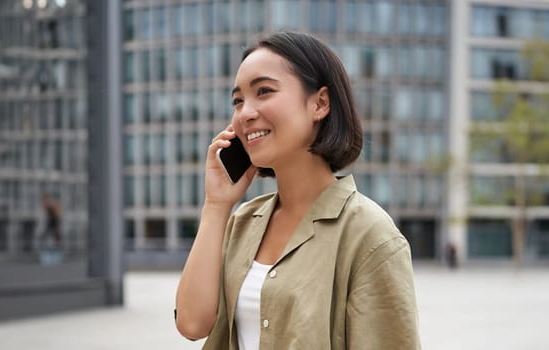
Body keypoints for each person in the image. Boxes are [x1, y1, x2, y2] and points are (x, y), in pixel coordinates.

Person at [174, 32, 421, 350]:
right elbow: (193, 324)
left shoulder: (370, 235)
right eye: (238, 100)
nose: (245, 113)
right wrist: (216, 204)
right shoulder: (243, 222)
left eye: (264, 91)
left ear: (319, 103)